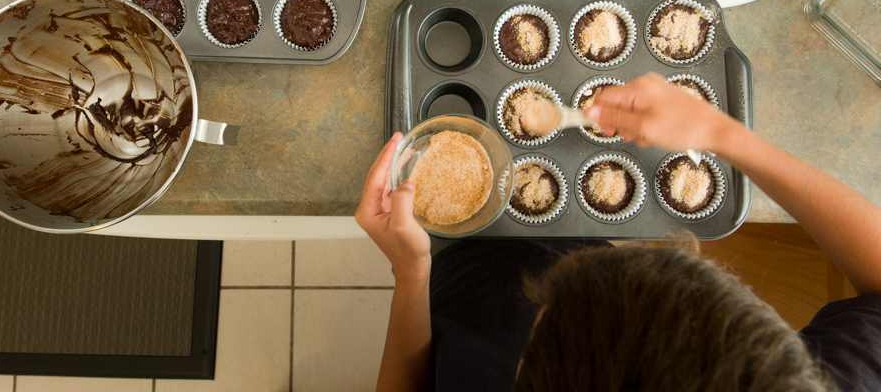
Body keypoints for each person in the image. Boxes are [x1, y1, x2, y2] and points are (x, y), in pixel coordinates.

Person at [355, 73, 881, 392]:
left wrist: (411, 274)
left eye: (539, 327)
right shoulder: (806, 381)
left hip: (457, 294)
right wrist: (723, 134)